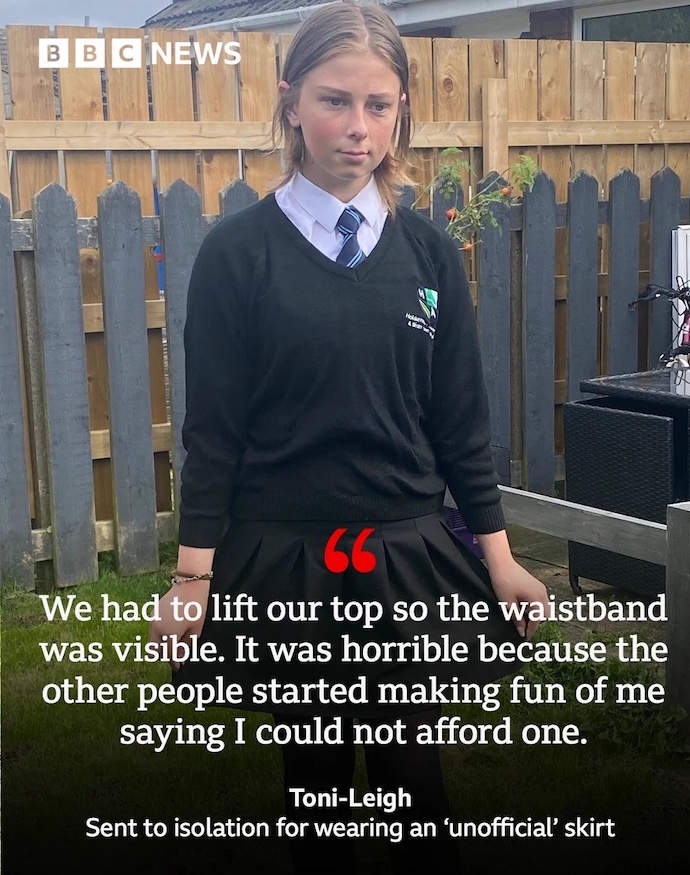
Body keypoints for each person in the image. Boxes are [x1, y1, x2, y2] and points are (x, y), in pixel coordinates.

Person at [150, 2, 549, 872]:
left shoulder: (432, 257)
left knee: (417, 786)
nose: (358, 129)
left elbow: (458, 422)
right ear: (291, 101)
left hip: (404, 555)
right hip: (288, 559)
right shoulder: (237, 256)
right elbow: (214, 433)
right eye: (335, 101)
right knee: (319, 787)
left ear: (402, 108)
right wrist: (192, 578)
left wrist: (501, 555)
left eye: (379, 105)